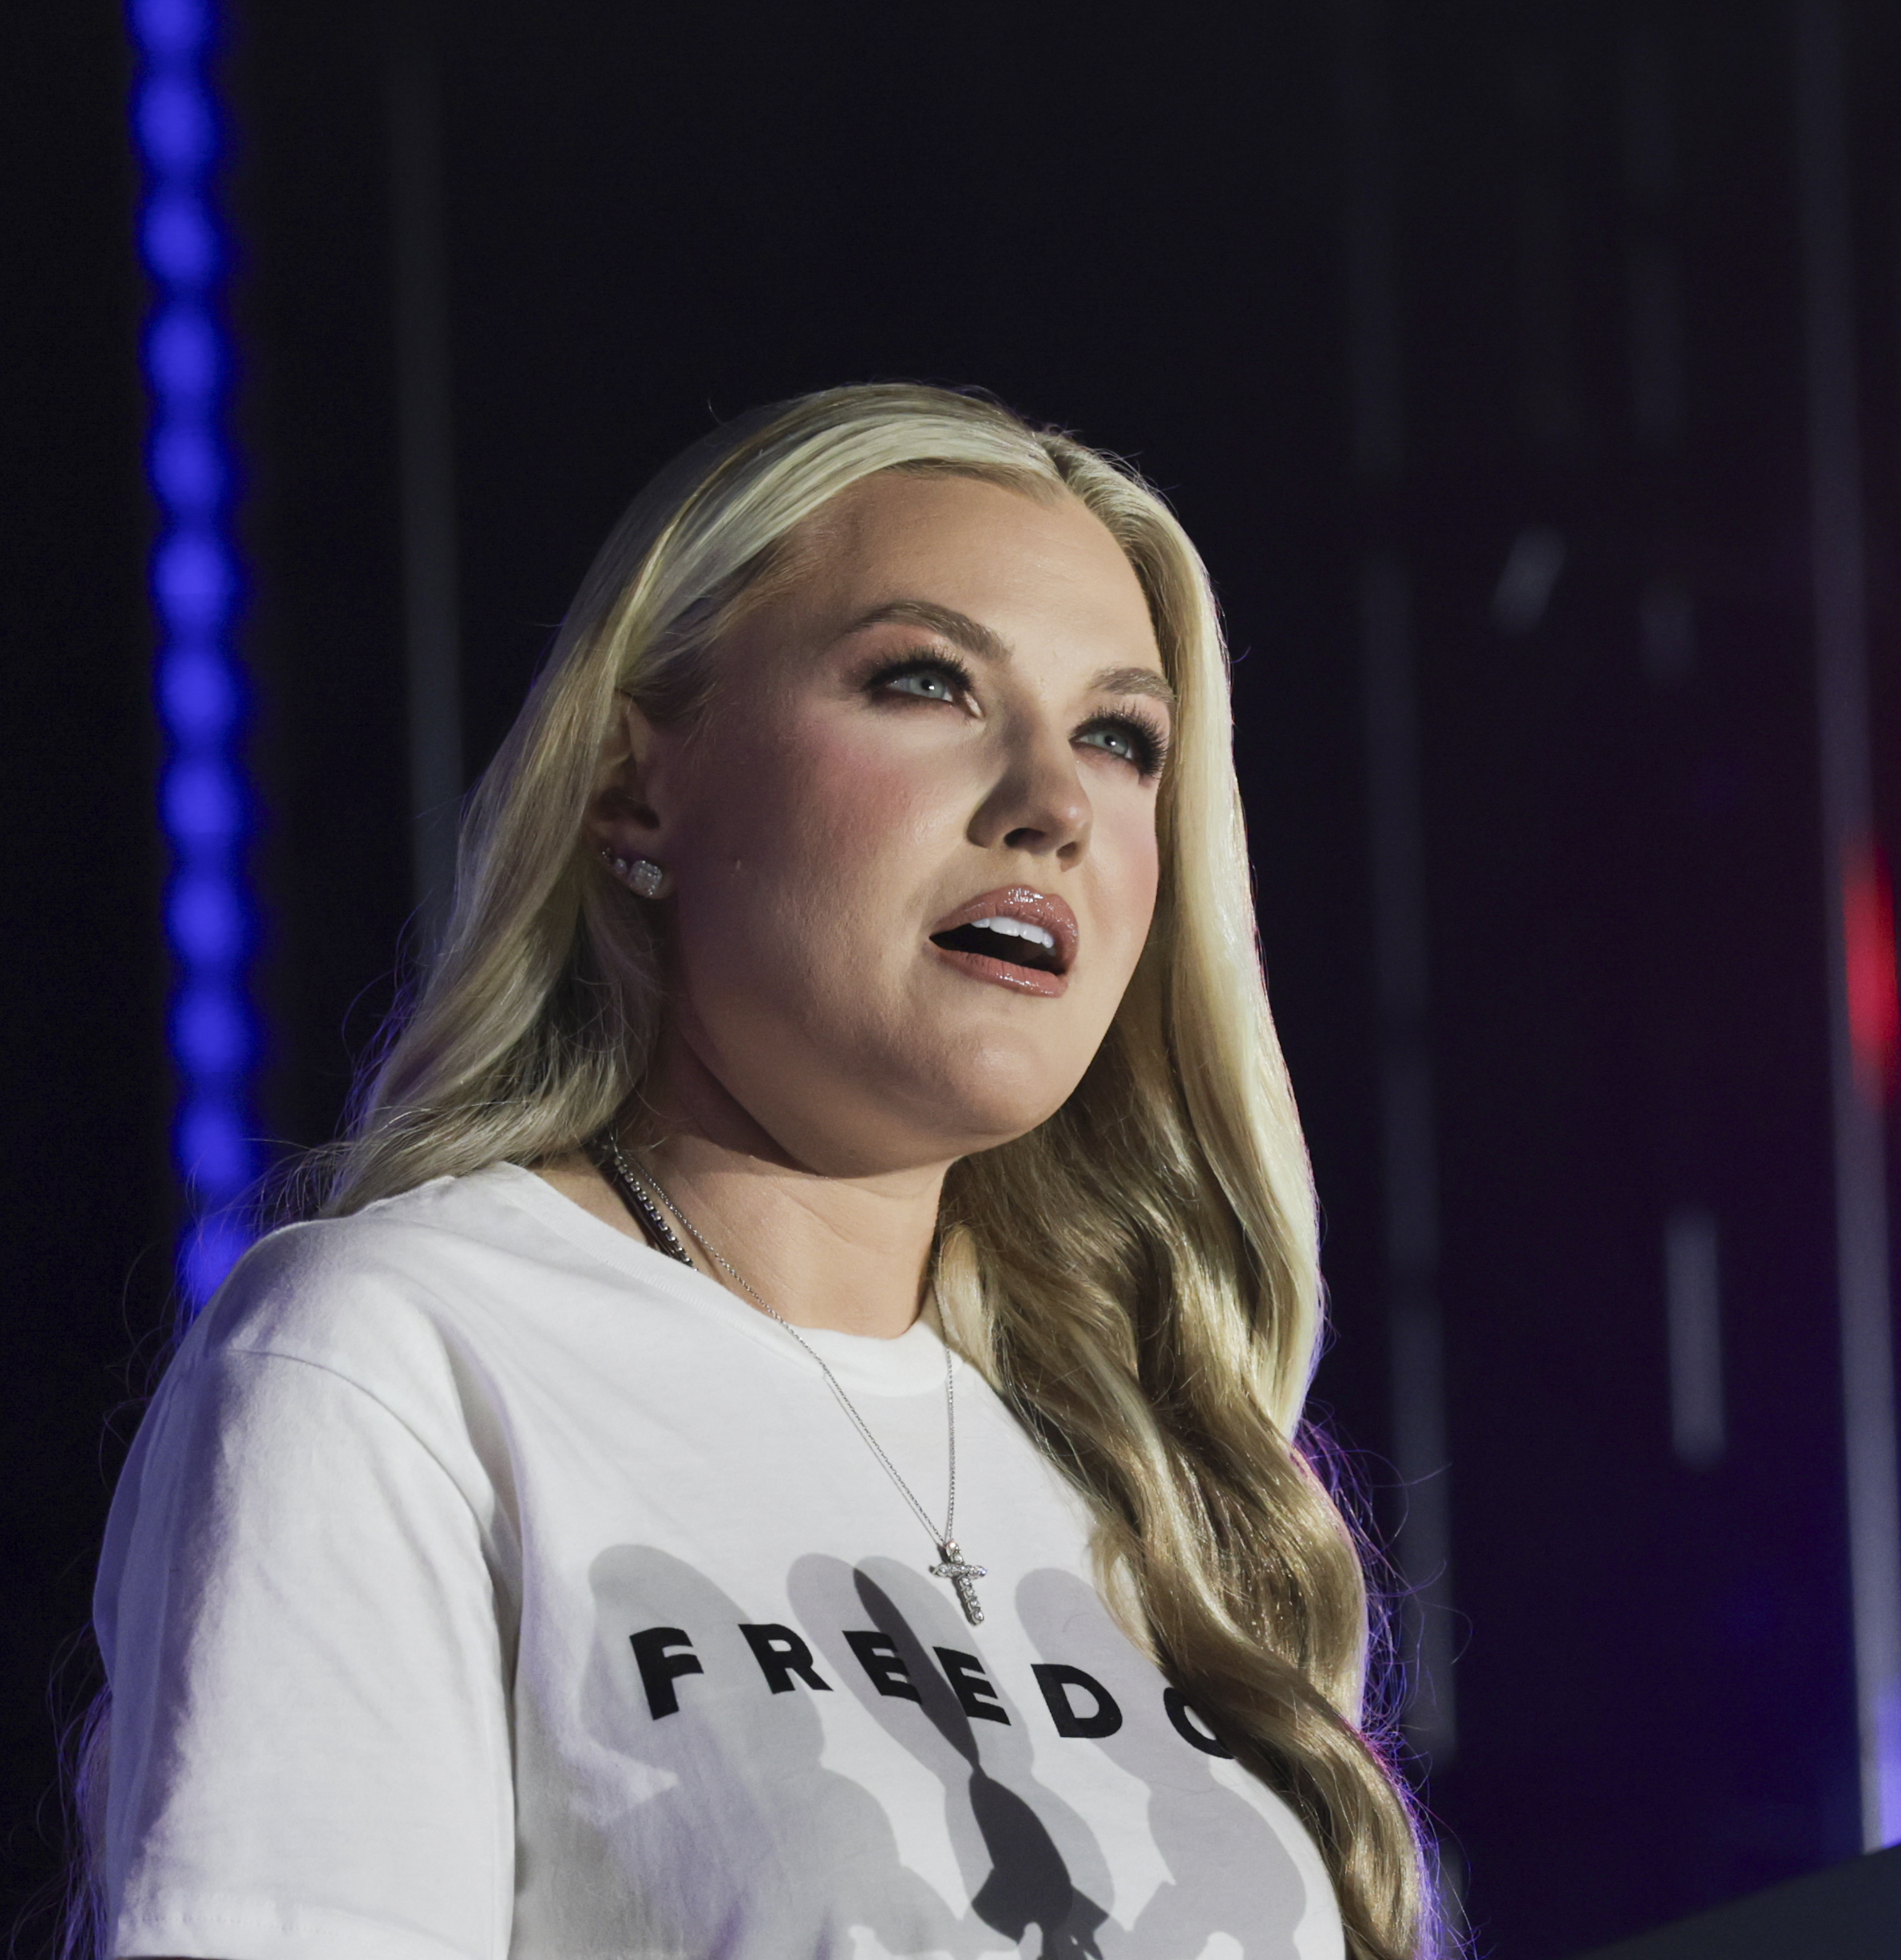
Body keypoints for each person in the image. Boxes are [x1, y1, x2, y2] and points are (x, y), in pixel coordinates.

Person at [88, 385, 1429, 1960]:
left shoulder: (1157, 1468)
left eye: (1120, 738)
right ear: (634, 786)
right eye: (927, 683)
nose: (1053, 804)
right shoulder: (402, 1350)